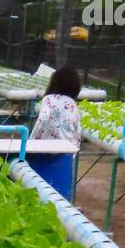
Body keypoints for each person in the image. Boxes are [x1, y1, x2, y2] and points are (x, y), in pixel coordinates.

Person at [27, 66, 82, 200]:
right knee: (59, 194)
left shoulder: (49, 99)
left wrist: (30, 143)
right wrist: (73, 151)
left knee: (37, 188)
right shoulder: (73, 104)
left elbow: (42, 120)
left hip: (42, 149)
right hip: (64, 152)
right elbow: (77, 131)